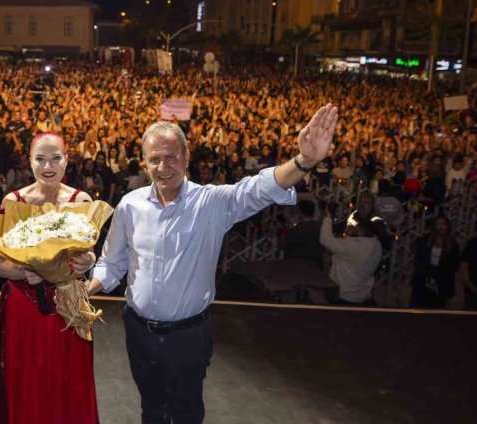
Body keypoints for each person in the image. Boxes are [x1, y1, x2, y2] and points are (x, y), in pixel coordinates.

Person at [89, 104, 339, 424]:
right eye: (154, 159)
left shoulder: (212, 203)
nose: (163, 166)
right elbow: (112, 262)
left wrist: (304, 161)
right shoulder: (129, 205)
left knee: (187, 413)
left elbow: (260, 188)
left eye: (170, 157)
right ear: (144, 162)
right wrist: (86, 289)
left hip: (188, 337)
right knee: (151, 410)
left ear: (187, 157)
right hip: (139, 333)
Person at [0, 132, 97, 424]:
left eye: (55, 158)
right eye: (40, 159)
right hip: (24, 309)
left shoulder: (81, 200)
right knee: (25, 380)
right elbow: (0, 265)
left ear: (66, 160)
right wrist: (24, 271)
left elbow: (87, 255)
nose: (47, 165)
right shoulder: (13, 200)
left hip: (69, 306)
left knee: (69, 381)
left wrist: (89, 260)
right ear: (30, 161)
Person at [319, 199, 382, 305]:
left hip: (343, 295)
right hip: (362, 294)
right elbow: (350, 259)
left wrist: (327, 217)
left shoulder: (353, 246)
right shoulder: (376, 244)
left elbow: (325, 240)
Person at [410, 215, 459, 308]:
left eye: (443, 224)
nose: (441, 227)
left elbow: (454, 265)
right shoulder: (424, 241)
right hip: (423, 282)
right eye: (438, 224)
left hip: (442, 283)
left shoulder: (453, 245)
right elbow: (419, 259)